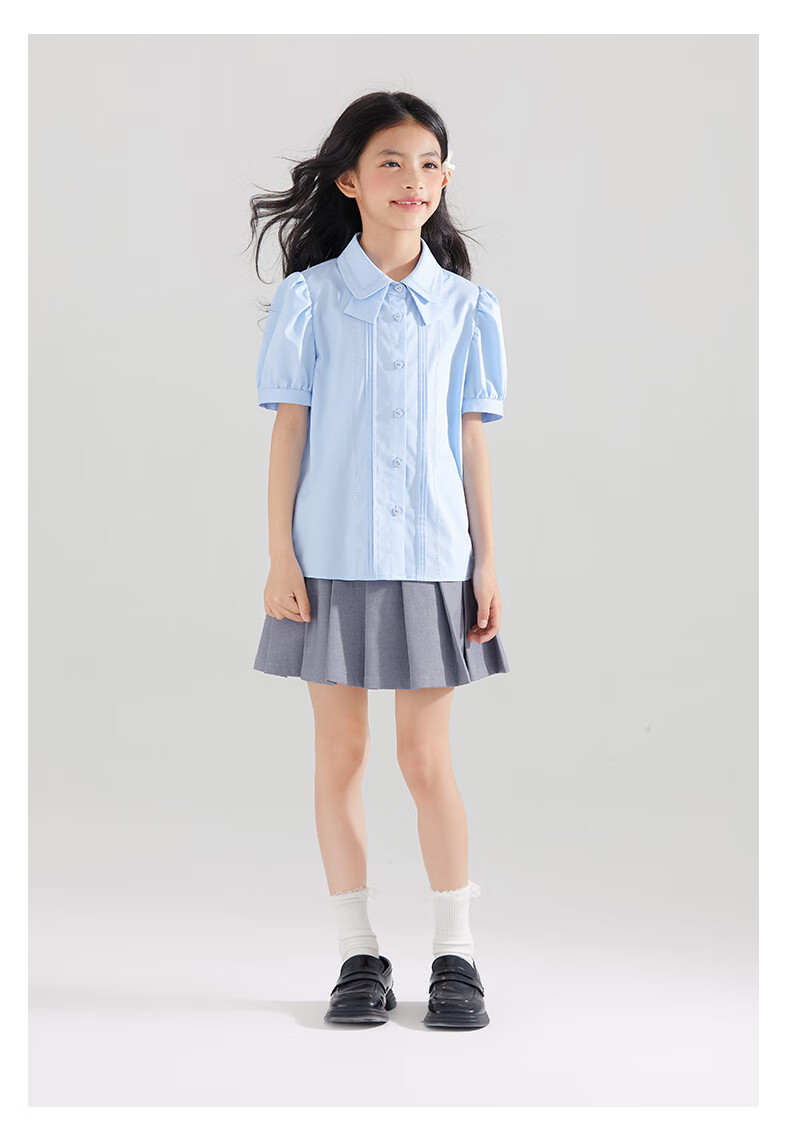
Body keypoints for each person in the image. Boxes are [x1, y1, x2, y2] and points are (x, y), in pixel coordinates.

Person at [248, 91, 509, 1029]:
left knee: (427, 760)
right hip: (329, 558)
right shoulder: (311, 299)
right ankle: (358, 953)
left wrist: (486, 561)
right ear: (350, 181)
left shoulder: (467, 308)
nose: (413, 180)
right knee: (341, 755)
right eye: (391, 162)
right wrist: (280, 554)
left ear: (446, 178)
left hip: (436, 556)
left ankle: (456, 954)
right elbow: (290, 431)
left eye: (428, 164)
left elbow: (471, 441)